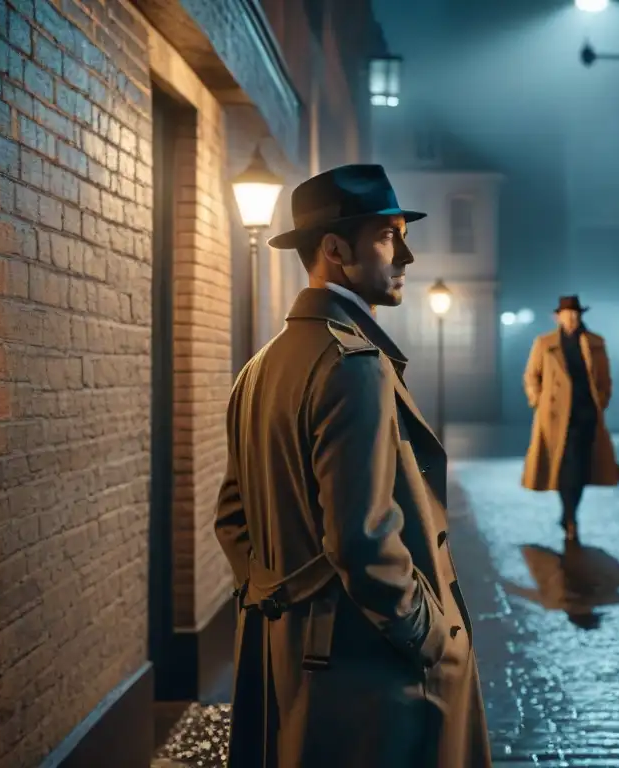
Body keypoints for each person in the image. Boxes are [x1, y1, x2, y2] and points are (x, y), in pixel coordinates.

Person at [215, 164, 491, 768]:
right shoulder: (352, 364)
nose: (407, 256)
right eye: (389, 236)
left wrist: (277, 605)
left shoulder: (257, 369)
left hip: (287, 665)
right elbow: (364, 543)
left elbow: (233, 522)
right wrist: (431, 638)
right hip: (368, 680)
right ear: (336, 249)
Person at [521, 296, 619, 542]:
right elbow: (532, 376)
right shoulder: (545, 343)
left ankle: (569, 514)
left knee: (581, 468)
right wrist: (537, 402)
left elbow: (605, 380)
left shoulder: (595, 343)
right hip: (555, 418)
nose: (572, 319)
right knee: (565, 467)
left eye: (576, 314)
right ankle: (570, 516)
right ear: (558, 318)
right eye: (567, 315)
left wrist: (601, 402)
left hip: (585, 414)